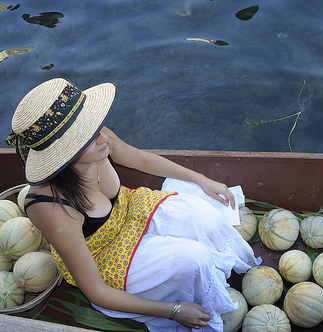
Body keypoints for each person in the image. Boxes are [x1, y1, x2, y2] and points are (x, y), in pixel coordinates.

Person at [6, 78, 261, 331]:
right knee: (192, 259)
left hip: (130, 209)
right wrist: (174, 311)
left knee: (204, 216)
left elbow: (140, 159)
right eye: (86, 137)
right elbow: (95, 290)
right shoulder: (50, 206)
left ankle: (217, 274)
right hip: (104, 253)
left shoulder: (99, 137)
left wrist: (201, 179)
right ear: (63, 153)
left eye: (95, 127)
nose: (102, 136)